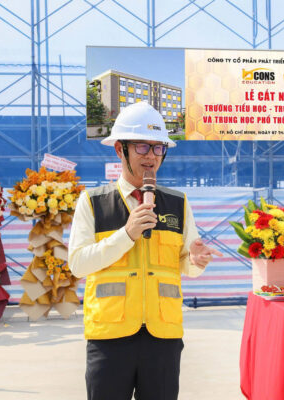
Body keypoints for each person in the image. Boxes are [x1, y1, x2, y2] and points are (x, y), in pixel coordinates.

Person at [68, 101, 222, 400]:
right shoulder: (92, 202)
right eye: (141, 147)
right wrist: (126, 234)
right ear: (120, 150)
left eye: (158, 148)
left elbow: (185, 265)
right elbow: (78, 264)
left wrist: (196, 261)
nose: (151, 156)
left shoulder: (178, 203)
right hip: (110, 335)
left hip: (162, 335)